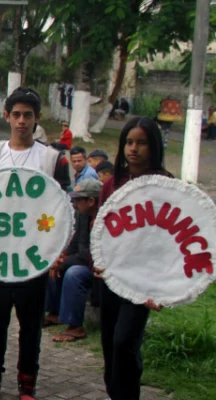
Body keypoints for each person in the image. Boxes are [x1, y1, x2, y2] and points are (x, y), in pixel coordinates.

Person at [0, 87, 71, 400]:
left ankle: (28, 382)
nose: (22, 121)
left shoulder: (52, 159)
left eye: (28, 115)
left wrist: (57, 251)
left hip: (33, 257)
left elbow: (62, 209)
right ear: (7, 117)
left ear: (36, 119)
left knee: (30, 326)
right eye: (16, 115)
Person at [94, 117, 170, 400]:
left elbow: (170, 241)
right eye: (129, 142)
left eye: (141, 143)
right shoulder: (111, 185)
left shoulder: (166, 185)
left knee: (125, 341)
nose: (133, 149)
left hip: (144, 280)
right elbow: (99, 230)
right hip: (112, 277)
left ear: (153, 147)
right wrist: (97, 263)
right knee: (110, 346)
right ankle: (116, 393)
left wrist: (164, 287)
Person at [44, 179, 101, 343]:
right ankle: (55, 313)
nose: (74, 203)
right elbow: (75, 243)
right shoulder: (83, 215)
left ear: (91, 201)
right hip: (84, 260)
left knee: (74, 274)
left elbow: (90, 255)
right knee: (53, 264)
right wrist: (61, 257)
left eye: (77, 199)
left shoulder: (104, 218)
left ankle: (75, 326)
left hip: (98, 267)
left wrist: (65, 262)